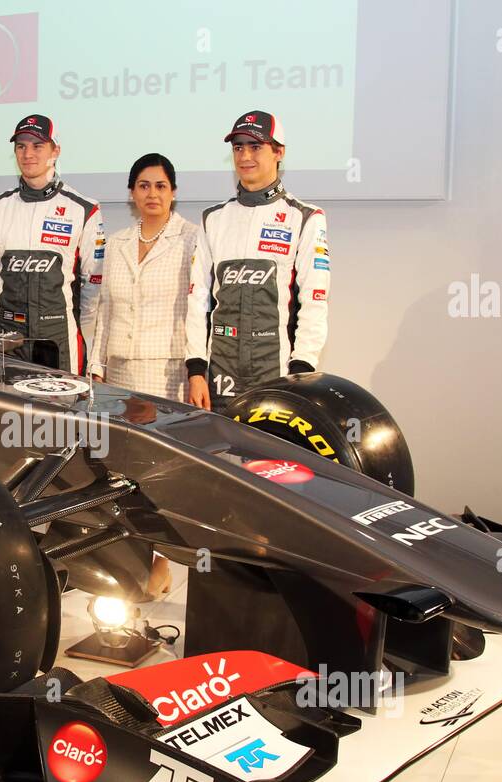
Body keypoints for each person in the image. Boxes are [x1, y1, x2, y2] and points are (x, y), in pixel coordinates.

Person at [89, 152, 200, 597]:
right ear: (132, 193)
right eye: (143, 186)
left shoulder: (193, 238)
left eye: (160, 186)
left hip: (166, 371)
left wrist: (196, 369)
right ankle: (127, 558)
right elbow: (103, 308)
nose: (151, 194)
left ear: (173, 192)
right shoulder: (115, 242)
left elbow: (197, 309)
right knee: (119, 470)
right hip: (118, 370)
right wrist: (95, 366)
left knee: (158, 475)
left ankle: (159, 560)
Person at [185, 110, 330, 412]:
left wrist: (301, 372)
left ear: (279, 152)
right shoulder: (213, 218)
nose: (245, 156)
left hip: (277, 373)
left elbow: (314, 302)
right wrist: (196, 370)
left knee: (271, 459)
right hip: (218, 373)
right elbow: (197, 300)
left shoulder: (305, 218)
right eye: (238, 147)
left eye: (255, 146)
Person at [0, 114, 106, 374]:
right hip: (6, 332)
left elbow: (93, 282)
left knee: (61, 412)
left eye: (37, 146)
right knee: (0, 411)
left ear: (55, 151)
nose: (28, 154)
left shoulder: (83, 209)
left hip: (57, 336)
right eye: (21, 146)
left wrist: (65, 319)